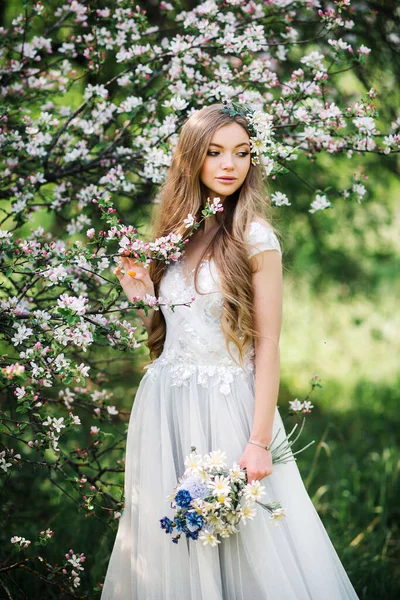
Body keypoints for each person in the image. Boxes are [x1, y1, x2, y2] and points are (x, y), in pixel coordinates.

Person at [101, 104, 359, 599]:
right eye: (216, 152)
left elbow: (268, 344)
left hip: (227, 406)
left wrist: (258, 441)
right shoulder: (175, 236)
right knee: (170, 540)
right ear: (192, 159)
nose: (229, 164)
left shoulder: (256, 238)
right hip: (165, 404)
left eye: (241, 153)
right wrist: (141, 296)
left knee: (247, 541)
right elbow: (175, 329)